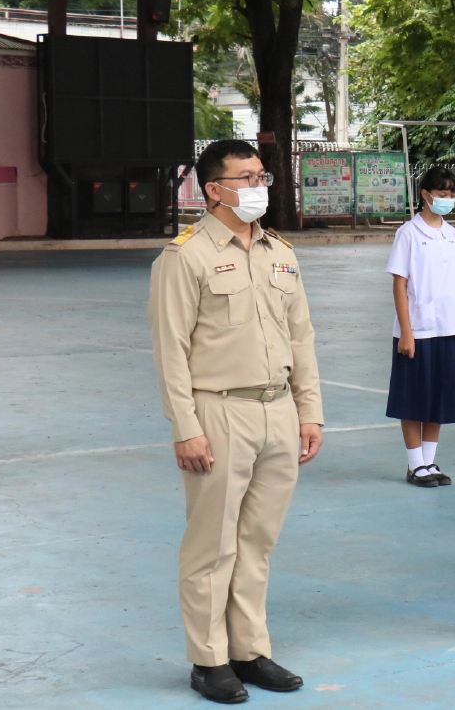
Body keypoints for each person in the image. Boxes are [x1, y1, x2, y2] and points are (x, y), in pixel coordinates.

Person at [148, 140, 324, 704]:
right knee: (212, 543)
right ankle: (209, 660)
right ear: (213, 190)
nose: (258, 187)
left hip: (278, 410)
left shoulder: (280, 252)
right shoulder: (185, 257)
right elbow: (171, 350)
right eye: (245, 178)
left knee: (256, 541)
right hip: (219, 411)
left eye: (262, 177)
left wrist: (309, 411)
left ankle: (248, 650)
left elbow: (303, 336)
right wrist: (185, 426)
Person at [386, 167, 455, 487]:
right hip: (418, 329)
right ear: (425, 195)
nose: (447, 200)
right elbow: (400, 283)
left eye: (451, 194)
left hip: (448, 329)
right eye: (441, 194)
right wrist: (406, 330)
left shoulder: (453, 235)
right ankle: (414, 464)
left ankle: (430, 461)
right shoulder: (408, 233)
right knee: (414, 396)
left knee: (439, 397)